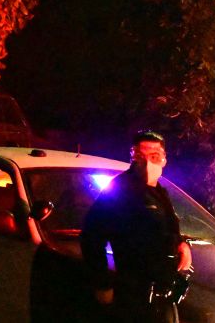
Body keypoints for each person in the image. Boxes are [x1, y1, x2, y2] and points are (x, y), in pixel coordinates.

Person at [81, 131, 193, 322]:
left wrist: (182, 243)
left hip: (161, 292)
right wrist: (103, 285)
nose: (148, 162)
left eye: (154, 156)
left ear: (164, 160)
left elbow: (166, 227)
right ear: (132, 157)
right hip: (133, 295)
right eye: (141, 156)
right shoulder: (120, 189)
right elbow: (91, 236)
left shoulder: (159, 191)